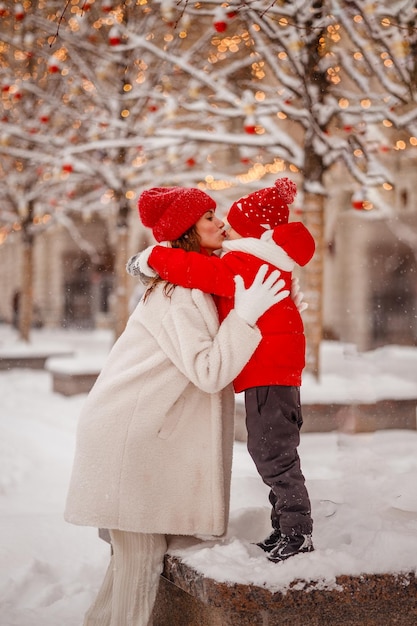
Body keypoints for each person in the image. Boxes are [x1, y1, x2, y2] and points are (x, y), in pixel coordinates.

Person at [64, 185, 290, 626]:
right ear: (186, 232)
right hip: (132, 438)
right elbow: (209, 370)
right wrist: (245, 318)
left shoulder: (191, 284)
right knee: (139, 567)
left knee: (133, 569)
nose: (220, 220)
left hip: (142, 435)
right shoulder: (177, 294)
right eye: (207, 216)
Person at [128, 178, 315, 562]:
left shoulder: (242, 264)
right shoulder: (263, 261)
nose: (224, 225)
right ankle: (285, 527)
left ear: (251, 236)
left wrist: (151, 259)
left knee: (273, 454)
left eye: (230, 220)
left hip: (268, 374)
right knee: (275, 451)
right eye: (213, 217)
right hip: (278, 373)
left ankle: (297, 533)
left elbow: (194, 269)